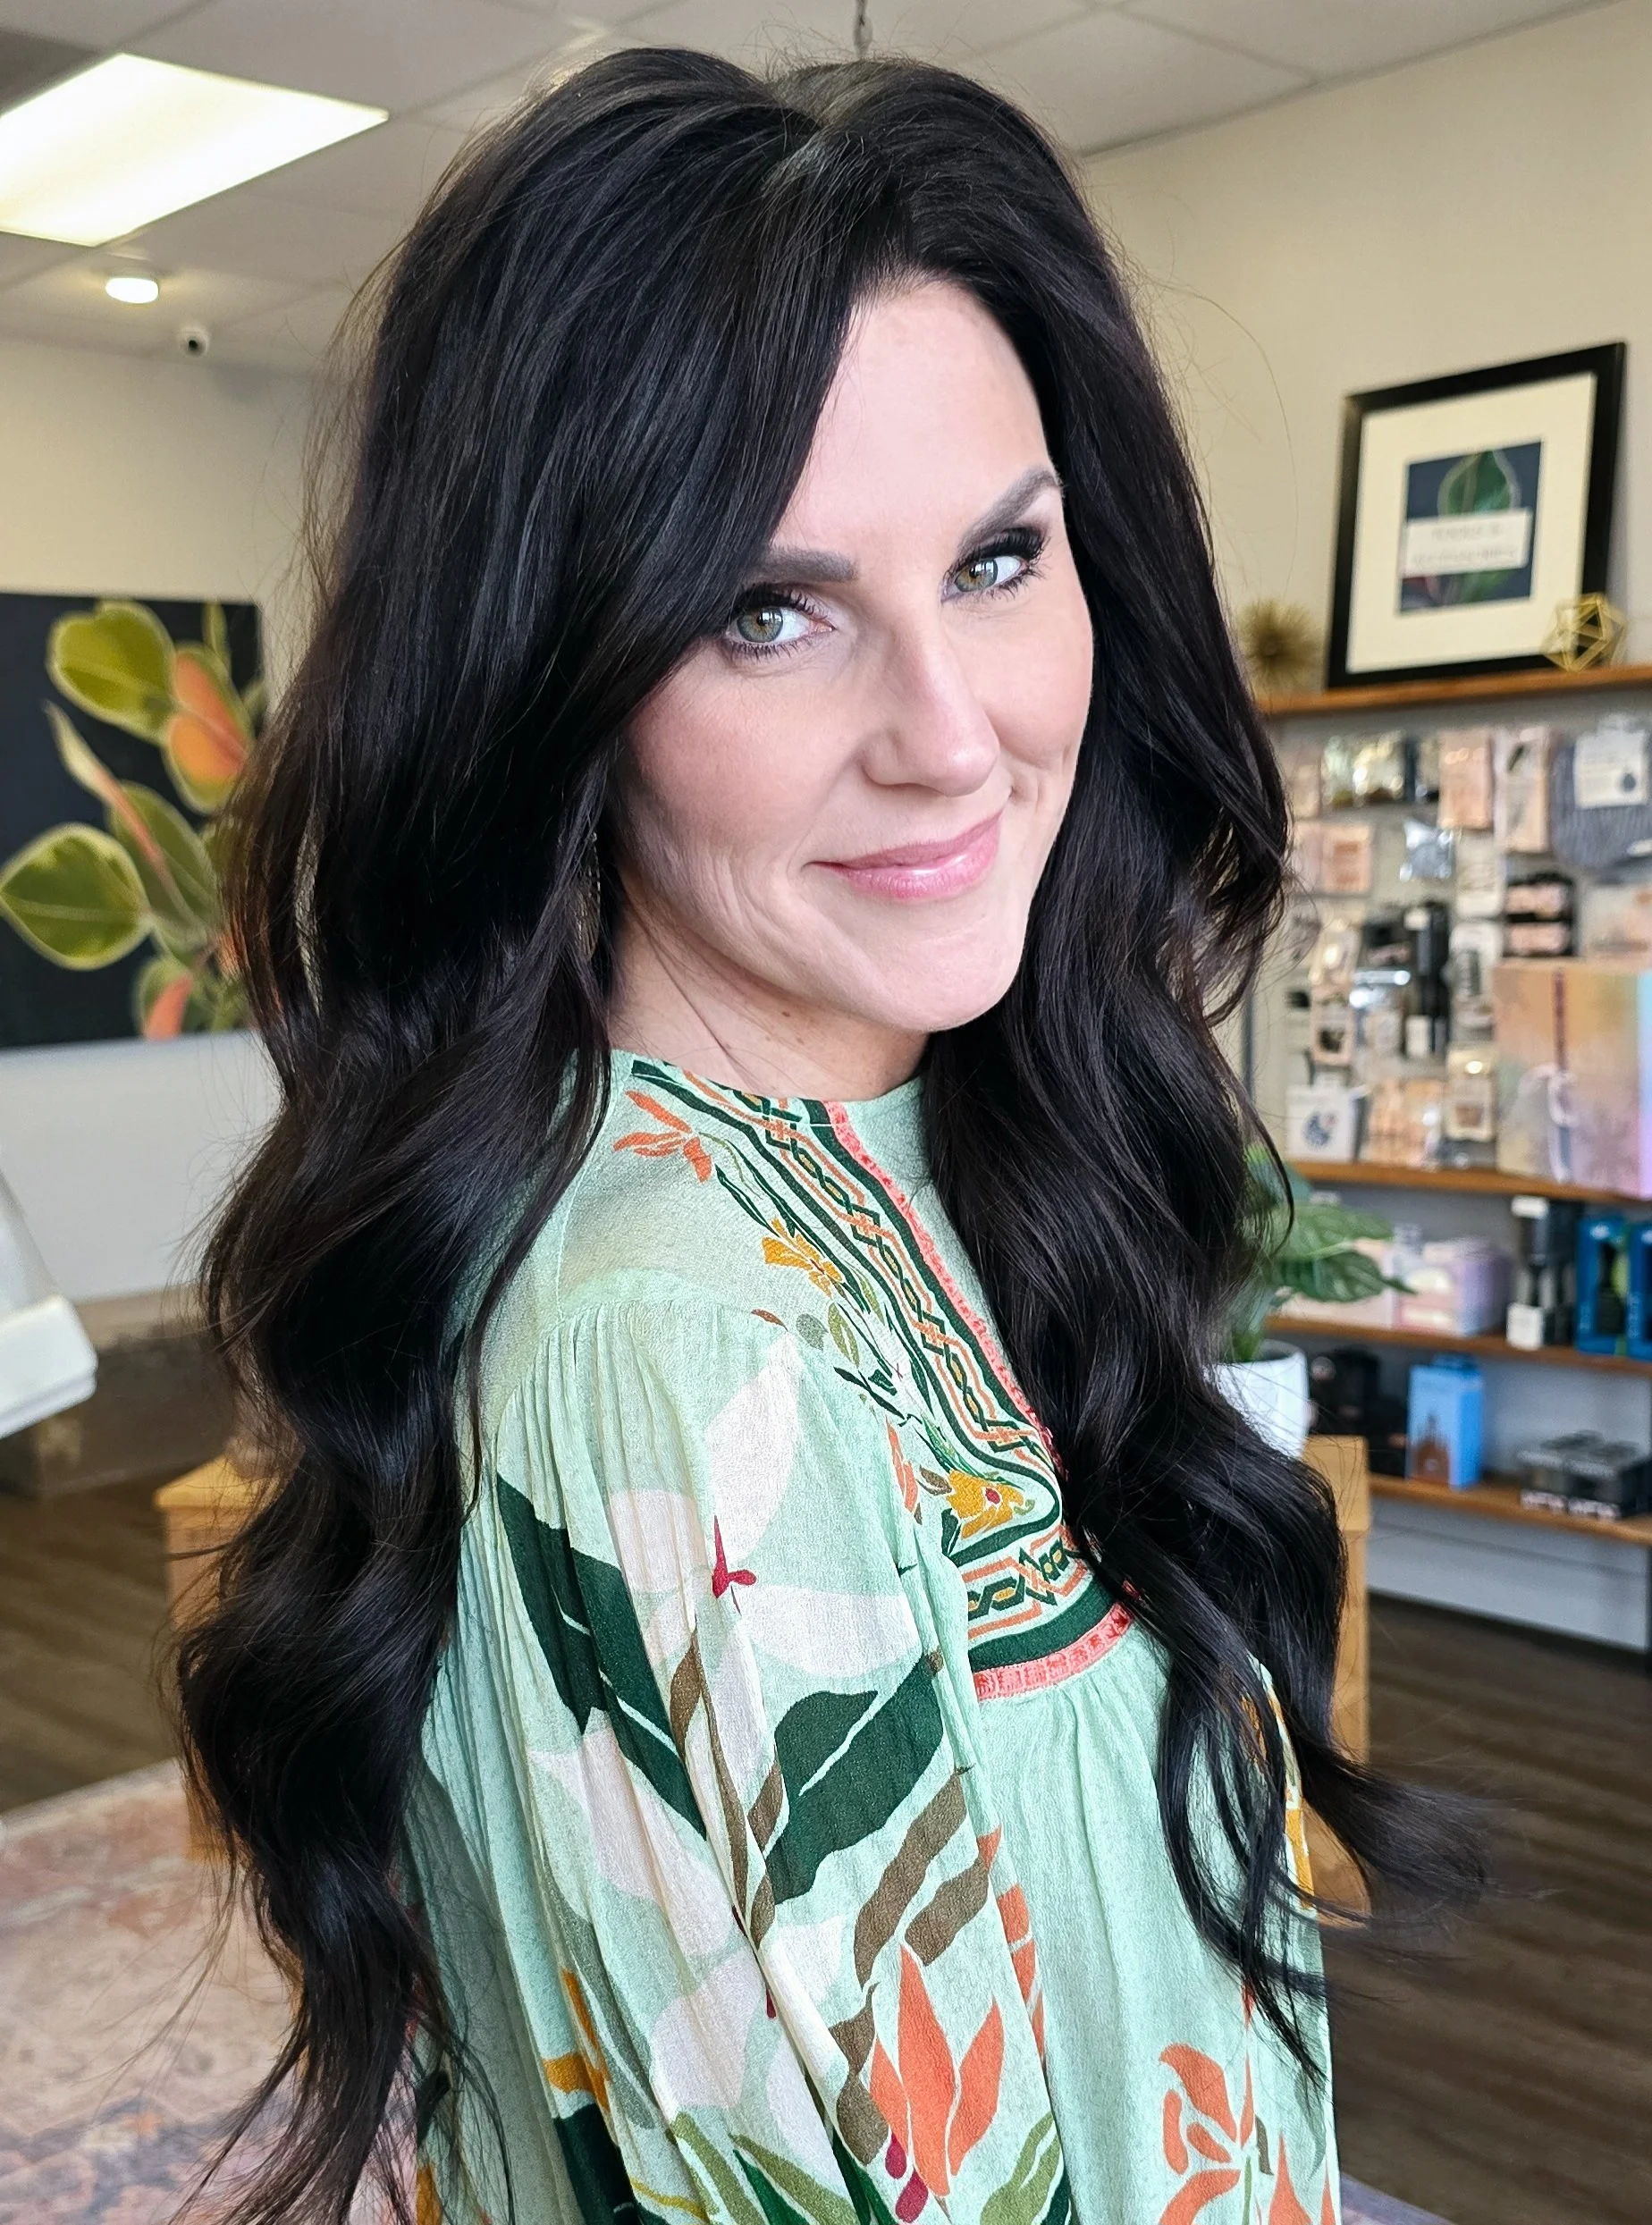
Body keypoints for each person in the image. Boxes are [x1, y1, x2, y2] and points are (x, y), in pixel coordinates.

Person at [179, 48, 1480, 2225]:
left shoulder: (938, 1146)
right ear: (553, 676)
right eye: (765, 609)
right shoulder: (687, 1356)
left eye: (998, 557)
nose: (953, 736)